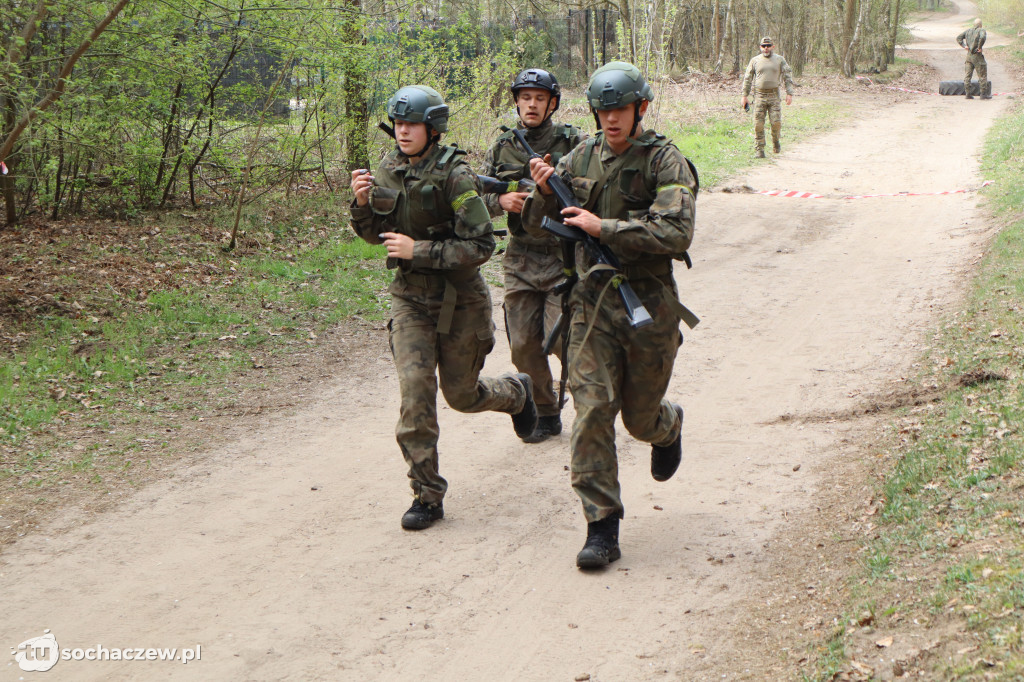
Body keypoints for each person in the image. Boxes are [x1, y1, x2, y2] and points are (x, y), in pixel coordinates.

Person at [521, 62, 698, 569]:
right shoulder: (580, 156)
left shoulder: (666, 162)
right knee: (593, 408)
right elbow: (538, 229)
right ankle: (602, 526)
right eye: (602, 110)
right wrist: (543, 191)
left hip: (648, 305)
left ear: (640, 108)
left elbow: (675, 234)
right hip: (592, 306)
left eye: (619, 109)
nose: (611, 119)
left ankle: (667, 427)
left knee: (639, 418)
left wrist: (606, 228)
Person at [349, 85, 538, 531]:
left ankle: (516, 393)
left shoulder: (457, 175)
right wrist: (361, 206)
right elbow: (375, 234)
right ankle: (427, 494)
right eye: (397, 123)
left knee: (462, 396)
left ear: (433, 129)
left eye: (412, 124)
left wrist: (421, 250)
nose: (403, 131)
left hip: (460, 301)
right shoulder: (388, 169)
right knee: (416, 395)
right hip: (410, 299)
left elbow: (479, 245)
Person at [482, 68, 587, 443]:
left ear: (552, 104)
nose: (531, 104)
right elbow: (471, 194)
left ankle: (591, 409)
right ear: (516, 102)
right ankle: (545, 411)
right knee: (524, 346)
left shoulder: (574, 141)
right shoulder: (503, 145)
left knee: (563, 340)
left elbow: (590, 189)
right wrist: (500, 200)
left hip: (564, 255)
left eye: (539, 98)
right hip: (521, 257)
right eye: (525, 97)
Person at [740, 36, 795, 158]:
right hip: (759, 95)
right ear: (760, 47)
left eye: (768, 46)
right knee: (758, 124)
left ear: (773, 47)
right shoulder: (754, 61)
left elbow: (787, 77)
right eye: (763, 46)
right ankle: (759, 150)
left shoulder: (780, 60)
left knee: (776, 122)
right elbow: (748, 78)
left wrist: (789, 93)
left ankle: (776, 142)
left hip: (774, 95)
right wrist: (744, 95)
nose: (766, 48)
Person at [957, 18, 990, 99]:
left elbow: (958, 38)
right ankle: (983, 94)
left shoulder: (968, 31)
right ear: (980, 25)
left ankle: (967, 94)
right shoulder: (981, 30)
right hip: (977, 56)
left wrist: (964, 46)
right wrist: (979, 47)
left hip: (969, 56)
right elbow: (982, 37)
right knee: (982, 75)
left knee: (968, 75)